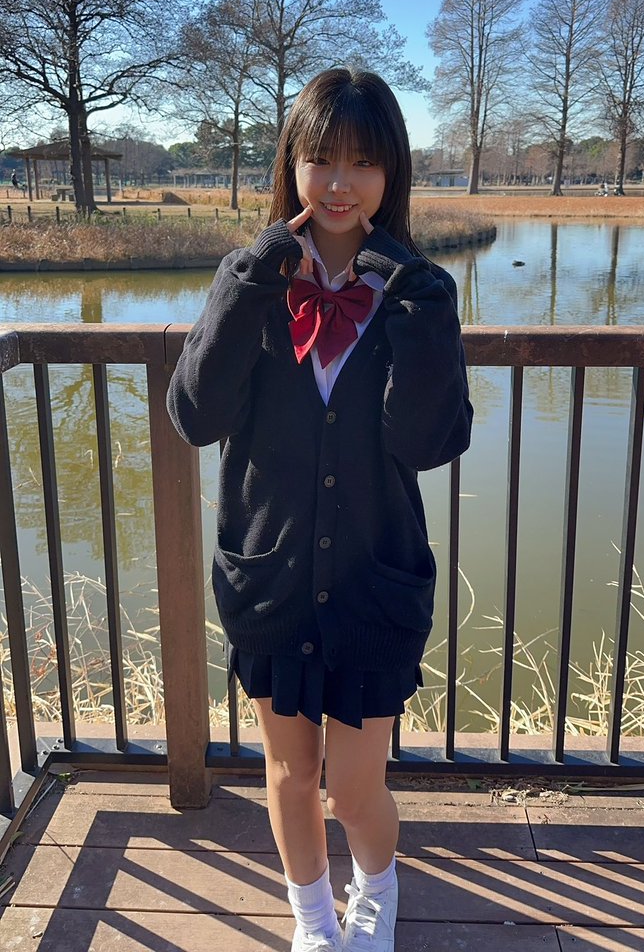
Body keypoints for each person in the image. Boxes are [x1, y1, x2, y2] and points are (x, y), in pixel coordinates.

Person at [167, 67, 473, 951]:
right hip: (272, 581)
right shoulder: (250, 281)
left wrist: (411, 300)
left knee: (355, 785)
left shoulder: (419, 290)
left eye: (363, 162)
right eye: (321, 158)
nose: (340, 183)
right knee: (290, 774)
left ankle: (377, 890)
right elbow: (195, 416)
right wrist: (246, 281)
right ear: (291, 165)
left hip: (374, 581)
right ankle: (310, 918)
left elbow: (429, 441)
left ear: (392, 173)